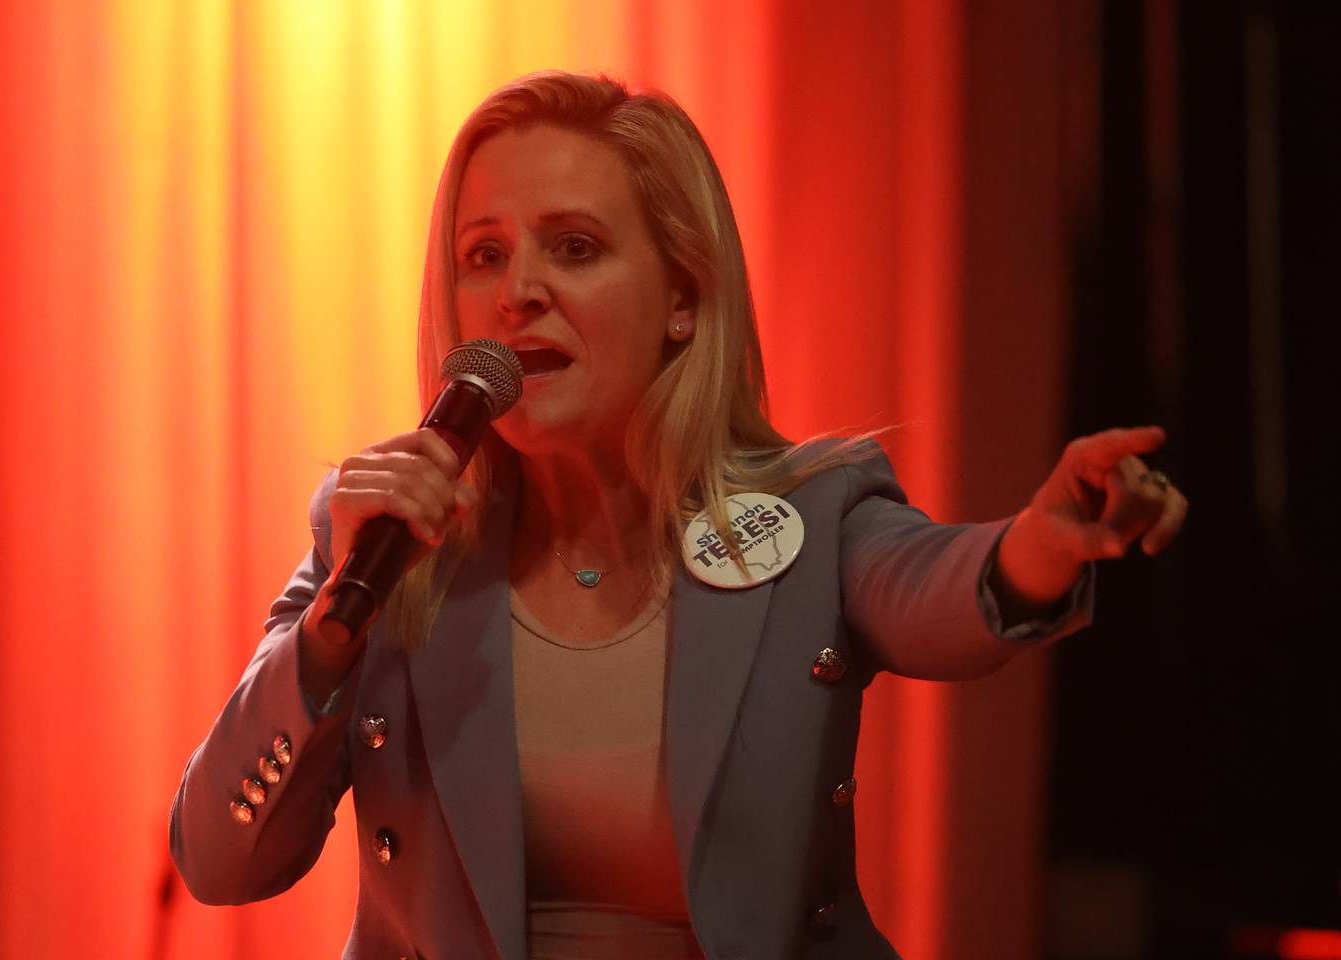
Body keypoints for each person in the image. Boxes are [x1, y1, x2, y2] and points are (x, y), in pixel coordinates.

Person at [169, 71, 1188, 960]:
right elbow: (220, 857)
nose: (518, 291)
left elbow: (941, 588)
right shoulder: (389, 543)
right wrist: (324, 642)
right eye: (484, 256)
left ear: (682, 300)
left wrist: (1044, 542)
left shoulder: (810, 511)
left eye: (573, 247)